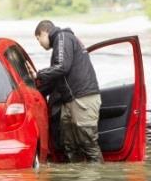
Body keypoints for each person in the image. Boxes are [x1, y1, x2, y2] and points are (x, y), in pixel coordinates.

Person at [28, 20, 103, 163]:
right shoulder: (62, 42)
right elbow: (57, 78)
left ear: (44, 33)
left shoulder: (62, 38)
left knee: (89, 145)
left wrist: (38, 74)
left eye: (38, 40)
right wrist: (35, 91)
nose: (40, 44)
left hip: (83, 98)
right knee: (69, 145)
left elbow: (62, 67)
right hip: (70, 100)